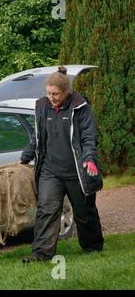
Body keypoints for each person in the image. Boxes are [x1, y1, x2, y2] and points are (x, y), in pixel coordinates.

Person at [19, 66, 104, 263]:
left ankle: (93, 247)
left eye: (55, 94)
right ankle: (41, 254)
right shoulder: (42, 106)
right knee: (47, 210)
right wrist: (25, 157)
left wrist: (89, 159)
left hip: (76, 170)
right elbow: (37, 137)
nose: (52, 98)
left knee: (84, 212)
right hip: (50, 170)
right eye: (48, 93)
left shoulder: (81, 108)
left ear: (66, 92)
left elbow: (89, 138)